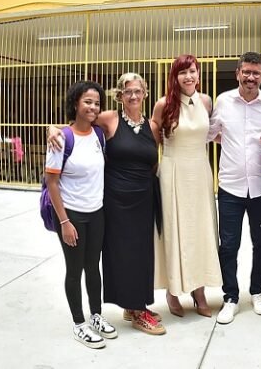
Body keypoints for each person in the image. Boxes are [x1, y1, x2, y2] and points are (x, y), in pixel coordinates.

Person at [47, 73, 164, 335]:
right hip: (116, 199)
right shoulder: (109, 118)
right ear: (119, 95)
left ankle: (134, 303)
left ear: (145, 93)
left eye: (138, 91)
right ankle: (135, 309)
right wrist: (52, 129)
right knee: (121, 253)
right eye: (127, 91)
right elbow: (79, 124)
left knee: (143, 253)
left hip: (144, 197)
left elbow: (153, 161)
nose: (133, 96)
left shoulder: (154, 126)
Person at [208, 51, 261, 325]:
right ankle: (230, 296)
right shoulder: (223, 101)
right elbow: (211, 132)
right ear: (238, 73)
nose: (251, 77)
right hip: (230, 186)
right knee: (228, 245)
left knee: (260, 244)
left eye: (256, 73)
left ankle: (257, 291)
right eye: (246, 72)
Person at [45, 80, 117, 349]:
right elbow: (52, 182)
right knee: (74, 270)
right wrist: (64, 222)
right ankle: (79, 324)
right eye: (88, 101)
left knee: (93, 267)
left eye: (97, 103)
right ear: (76, 103)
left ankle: (96, 315)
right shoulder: (62, 138)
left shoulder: (99, 135)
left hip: (96, 212)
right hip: (72, 215)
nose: (93, 107)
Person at [152, 55, 221, 319]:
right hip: (173, 172)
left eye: (192, 71)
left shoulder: (206, 101)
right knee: (175, 230)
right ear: (175, 77)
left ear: (198, 73)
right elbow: (153, 142)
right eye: (182, 72)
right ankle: (173, 291)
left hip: (200, 171)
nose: (188, 76)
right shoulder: (163, 105)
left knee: (201, 231)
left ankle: (199, 291)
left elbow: (214, 134)